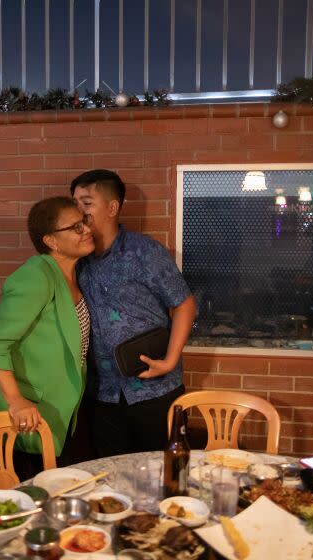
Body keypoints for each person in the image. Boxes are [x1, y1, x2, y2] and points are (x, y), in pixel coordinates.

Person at [71, 169, 197, 457]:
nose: (78, 211)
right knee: (109, 477)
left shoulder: (144, 252)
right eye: (75, 203)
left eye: (86, 203)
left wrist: (169, 361)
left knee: (162, 474)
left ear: (112, 208)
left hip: (155, 388)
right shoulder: (77, 258)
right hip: (102, 393)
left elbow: (184, 305)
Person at [0, 196, 95, 480]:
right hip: (25, 415)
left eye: (85, 222)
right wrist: (16, 400)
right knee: (30, 502)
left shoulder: (71, 275)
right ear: (51, 241)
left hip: (57, 410)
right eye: (76, 227)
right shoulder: (36, 276)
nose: (87, 230)